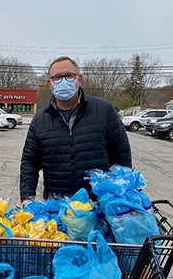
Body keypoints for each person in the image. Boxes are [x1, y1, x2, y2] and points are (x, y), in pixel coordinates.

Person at [20, 56, 132, 205]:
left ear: (79, 79)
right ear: (50, 84)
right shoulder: (40, 119)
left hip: (99, 206)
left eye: (69, 76)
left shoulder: (104, 111)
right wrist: (27, 198)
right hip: (57, 210)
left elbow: (122, 154)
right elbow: (30, 163)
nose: (63, 81)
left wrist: (120, 193)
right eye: (57, 77)